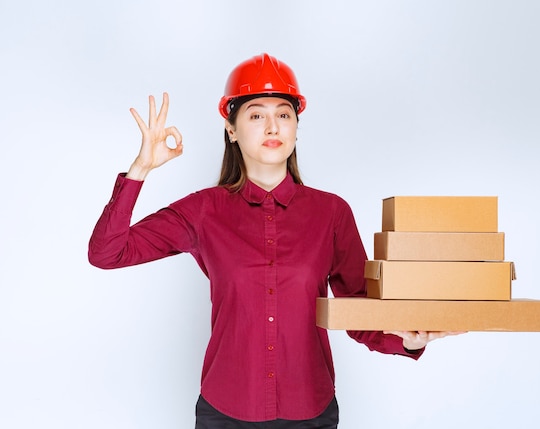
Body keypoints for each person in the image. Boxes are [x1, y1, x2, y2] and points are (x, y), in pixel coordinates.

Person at [88, 53, 462, 428]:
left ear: (296, 127)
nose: (272, 127)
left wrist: (410, 341)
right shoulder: (204, 210)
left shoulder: (331, 213)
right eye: (256, 115)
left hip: (310, 411)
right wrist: (139, 170)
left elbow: (358, 311)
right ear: (231, 129)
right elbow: (108, 252)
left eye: (283, 114)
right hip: (225, 411)